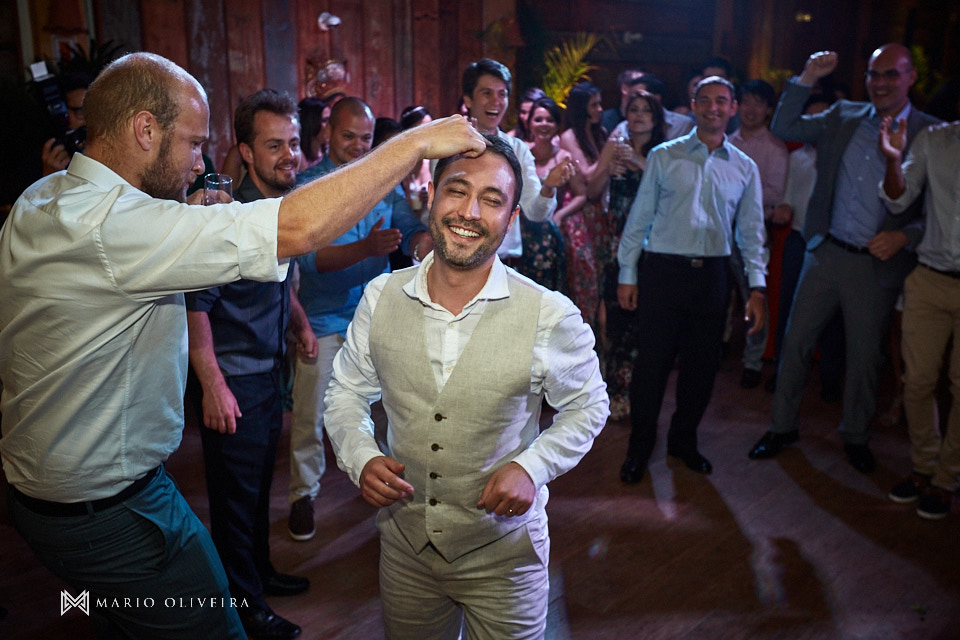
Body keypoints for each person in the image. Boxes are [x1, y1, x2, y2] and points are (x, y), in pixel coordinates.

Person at [0, 51, 485, 639]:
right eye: (193, 143)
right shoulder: (115, 228)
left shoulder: (43, 196)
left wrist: (185, 216)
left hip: (49, 494)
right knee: (212, 627)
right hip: (107, 507)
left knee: (119, 616)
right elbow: (298, 229)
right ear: (144, 130)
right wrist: (413, 143)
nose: (200, 161)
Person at [323, 134, 609, 639]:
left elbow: (589, 406)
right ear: (431, 196)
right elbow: (346, 392)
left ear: (512, 218)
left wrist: (532, 466)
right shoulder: (380, 296)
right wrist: (360, 456)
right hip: (404, 550)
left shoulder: (548, 314)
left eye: (493, 199)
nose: (470, 211)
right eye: (457, 190)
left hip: (505, 558)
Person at [748, 45, 940, 473]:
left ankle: (855, 435)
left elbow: (940, 215)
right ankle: (782, 427)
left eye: (891, 74)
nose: (881, 82)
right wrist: (808, 75)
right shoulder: (844, 115)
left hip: (877, 265)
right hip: (826, 251)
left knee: (865, 358)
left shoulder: (931, 133)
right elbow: (783, 124)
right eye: (874, 74)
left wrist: (904, 235)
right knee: (795, 345)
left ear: (910, 77)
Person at [185, 89, 313, 640]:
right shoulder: (226, 219)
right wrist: (212, 384)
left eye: (294, 143)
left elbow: (280, 282)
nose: (289, 155)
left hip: (265, 376)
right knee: (235, 504)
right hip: (233, 379)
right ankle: (243, 608)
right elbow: (195, 305)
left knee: (258, 489)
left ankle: (258, 575)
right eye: (274, 145)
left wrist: (300, 323)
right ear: (245, 151)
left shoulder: (280, 212)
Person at [287, 97, 432, 543]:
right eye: (348, 136)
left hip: (378, 313)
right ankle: (302, 496)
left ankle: (389, 488)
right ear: (328, 132)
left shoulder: (383, 182)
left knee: (393, 409)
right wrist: (367, 250)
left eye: (365, 138)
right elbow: (309, 262)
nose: (356, 145)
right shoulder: (310, 183)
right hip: (325, 316)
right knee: (312, 414)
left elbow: (410, 231)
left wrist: (428, 242)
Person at [617, 76, 767, 484]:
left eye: (722, 101)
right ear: (693, 105)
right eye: (705, 100)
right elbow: (639, 219)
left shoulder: (744, 168)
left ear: (732, 107)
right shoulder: (666, 156)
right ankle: (639, 448)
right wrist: (628, 274)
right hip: (663, 273)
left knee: (701, 371)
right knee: (651, 369)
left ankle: (683, 442)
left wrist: (757, 288)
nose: (713, 107)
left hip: (712, 278)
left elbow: (752, 234)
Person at [879, 103, 960, 520]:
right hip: (929, 278)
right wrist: (893, 161)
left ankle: (947, 478)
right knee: (917, 382)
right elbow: (897, 200)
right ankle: (923, 467)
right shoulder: (935, 139)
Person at [587, 89, 666, 421]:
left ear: (656, 117)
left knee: (644, 325)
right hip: (615, 244)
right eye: (633, 109)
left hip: (653, 246)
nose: (638, 115)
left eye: (646, 110)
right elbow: (591, 191)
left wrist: (638, 163)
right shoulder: (614, 146)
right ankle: (612, 393)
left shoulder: (665, 153)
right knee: (614, 321)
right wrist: (608, 170)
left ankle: (638, 394)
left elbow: (671, 195)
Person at [453, 58, 572, 261]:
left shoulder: (518, 149)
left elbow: (535, 213)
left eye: (502, 94)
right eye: (486, 93)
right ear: (468, 100)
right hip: (458, 257)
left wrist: (549, 187)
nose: (496, 102)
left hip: (504, 262)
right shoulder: (450, 146)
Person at [728, 79, 789, 389]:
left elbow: (775, 193)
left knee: (754, 294)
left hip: (752, 230)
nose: (751, 110)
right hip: (718, 230)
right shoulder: (726, 141)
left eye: (758, 104)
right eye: (746, 102)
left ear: (768, 110)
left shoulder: (774, 148)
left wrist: (736, 192)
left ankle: (752, 361)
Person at [519, 96, 572, 292]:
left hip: (548, 232)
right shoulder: (521, 152)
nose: (544, 124)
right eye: (538, 119)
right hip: (521, 230)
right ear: (529, 123)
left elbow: (583, 194)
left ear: (557, 125)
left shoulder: (563, 156)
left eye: (550, 120)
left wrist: (559, 215)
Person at [600, 69, 644, 133]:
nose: (646, 88)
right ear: (625, 89)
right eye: (640, 83)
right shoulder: (604, 120)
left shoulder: (648, 119)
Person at [298, 96, 329, 171]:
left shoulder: (330, 151)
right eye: (325, 120)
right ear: (311, 123)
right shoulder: (298, 156)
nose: (331, 125)